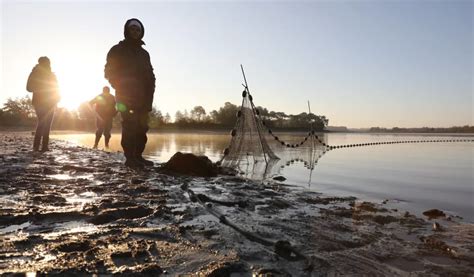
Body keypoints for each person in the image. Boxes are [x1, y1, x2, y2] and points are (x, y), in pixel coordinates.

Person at [104, 18, 156, 168]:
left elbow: (150, 76)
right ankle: (130, 158)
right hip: (125, 96)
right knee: (129, 125)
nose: (135, 32)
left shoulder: (144, 54)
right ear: (127, 30)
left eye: (138, 30)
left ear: (141, 33)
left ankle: (139, 156)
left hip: (144, 96)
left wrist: (150, 95)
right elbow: (108, 72)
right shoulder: (117, 50)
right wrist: (119, 86)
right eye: (132, 29)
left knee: (142, 127)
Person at [26, 56, 60, 152]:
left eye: (48, 63)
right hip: (39, 102)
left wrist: (57, 98)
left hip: (51, 102)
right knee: (42, 122)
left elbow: (56, 88)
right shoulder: (34, 73)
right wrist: (41, 88)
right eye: (46, 63)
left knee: (47, 124)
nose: (48, 65)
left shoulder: (52, 75)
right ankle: (36, 147)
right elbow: (28, 88)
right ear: (40, 63)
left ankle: (44, 147)